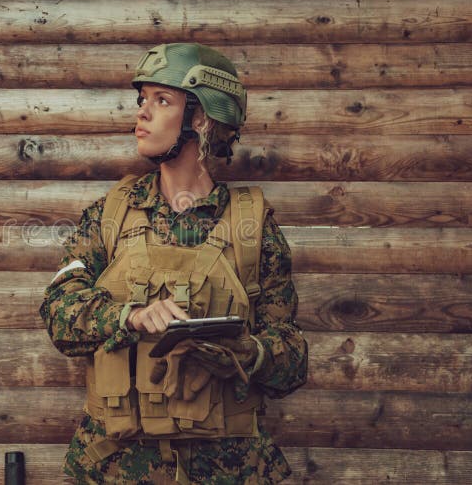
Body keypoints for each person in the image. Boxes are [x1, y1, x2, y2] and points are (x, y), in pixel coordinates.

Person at [39, 42, 308, 484]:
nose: (142, 113)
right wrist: (130, 316)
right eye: (141, 99)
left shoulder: (252, 227)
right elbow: (57, 313)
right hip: (117, 467)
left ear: (201, 119)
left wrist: (248, 353)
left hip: (227, 470)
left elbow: (292, 358)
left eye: (162, 100)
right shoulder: (110, 215)